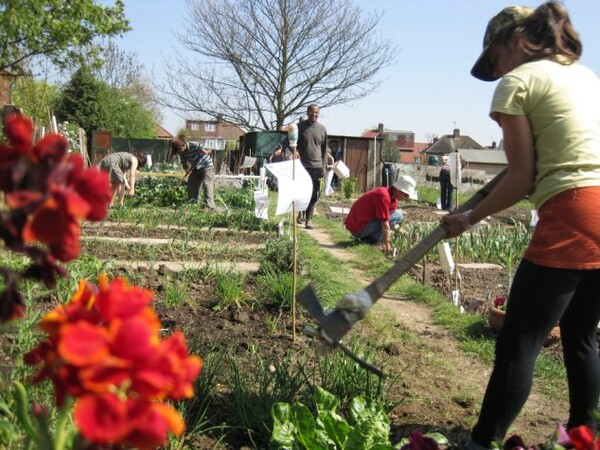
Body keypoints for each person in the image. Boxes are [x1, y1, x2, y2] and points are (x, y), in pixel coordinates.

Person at [441, 3, 600, 448]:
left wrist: (470, 217)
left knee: (518, 340)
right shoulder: (583, 74)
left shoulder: (517, 83)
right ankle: (584, 438)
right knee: (581, 337)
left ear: (514, 40)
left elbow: (522, 176)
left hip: (574, 207)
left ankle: (482, 440)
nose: (496, 69)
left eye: (494, 58)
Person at [344, 175, 417, 257]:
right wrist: (388, 246)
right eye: (406, 195)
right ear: (399, 190)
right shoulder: (383, 196)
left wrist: (406, 234)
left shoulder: (393, 200)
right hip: (357, 227)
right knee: (398, 215)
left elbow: (391, 223)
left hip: (363, 225)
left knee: (396, 216)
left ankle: (368, 241)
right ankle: (371, 240)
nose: (407, 198)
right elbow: (385, 224)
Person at [297, 104, 327, 229]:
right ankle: (300, 213)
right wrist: (294, 152)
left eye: (316, 113)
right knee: (302, 192)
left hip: (317, 166)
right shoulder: (300, 127)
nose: (314, 115)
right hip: (303, 166)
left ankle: (309, 219)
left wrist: (324, 166)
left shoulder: (322, 129)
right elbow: (290, 143)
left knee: (314, 194)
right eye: (312, 112)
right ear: (308, 112)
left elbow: (324, 149)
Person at [170, 138, 216, 209]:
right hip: (196, 168)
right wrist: (187, 169)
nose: (179, 152)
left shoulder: (194, 145)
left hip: (207, 167)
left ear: (183, 145)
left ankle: (210, 206)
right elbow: (184, 164)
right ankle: (193, 204)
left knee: (206, 184)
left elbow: (209, 150)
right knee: (191, 184)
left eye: (179, 150)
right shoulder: (181, 153)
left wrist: (206, 152)